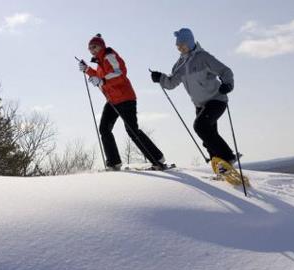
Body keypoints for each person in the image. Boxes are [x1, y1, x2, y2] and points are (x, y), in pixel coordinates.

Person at [78, 34, 166, 170]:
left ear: (101, 46)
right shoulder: (100, 62)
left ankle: (158, 159)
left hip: (125, 98)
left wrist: (102, 81)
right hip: (112, 100)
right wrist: (87, 70)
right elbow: (101, 77)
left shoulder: (109, 56)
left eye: (94, 47)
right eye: (89, 48)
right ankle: (114, 162)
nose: (92, 50)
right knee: (104, 129)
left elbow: (119, 73)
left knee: (132, 130)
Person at [150, 28, 237, 164]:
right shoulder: (180, 65)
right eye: (178, 46)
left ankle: (228, 157)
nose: (179, 48)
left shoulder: (203, 57)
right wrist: (160, 78)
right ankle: (220, 168)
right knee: (208, 140)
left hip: (216, 100)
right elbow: (171, 83)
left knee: (200, 127)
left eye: (182, 45)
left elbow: (225, 71)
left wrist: (228, 84)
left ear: (189, 42)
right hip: (200, 105)